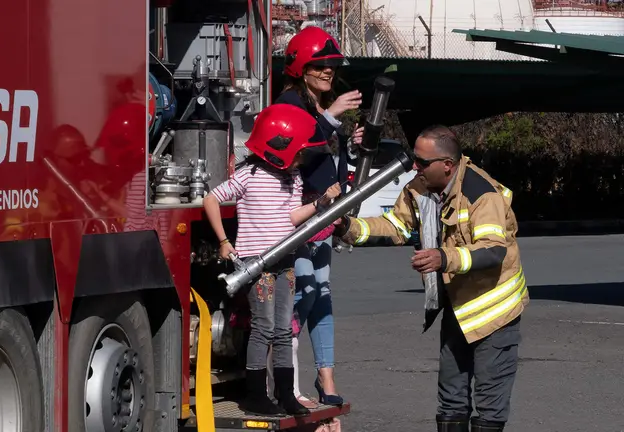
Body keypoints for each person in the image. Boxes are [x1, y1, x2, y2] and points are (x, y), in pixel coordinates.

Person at [332, 125, 527, 432]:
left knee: (489, 407)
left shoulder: (481, 193)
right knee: (450, 401)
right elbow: (394, 225)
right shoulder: (419, 188)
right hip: (458, 309)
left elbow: (492, 252)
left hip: (494, 314)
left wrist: (443, 257)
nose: (415, 167)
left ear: (447, 165)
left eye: (422, 162)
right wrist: (348, 227)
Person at [203, 103, 342, 416]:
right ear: (279, 147)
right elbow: (211, 198)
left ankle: (284, 394)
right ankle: (255, 394)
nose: (301, 160)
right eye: (299, 152)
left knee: (283, 329)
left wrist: (321, 203)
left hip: (284, 260)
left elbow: (292, 216)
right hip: (258, 263)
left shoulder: (292, 178)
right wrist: (224, 241)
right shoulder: (248, 176)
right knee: (263, 327)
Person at [275, 25, 364, 406]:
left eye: (331, 65)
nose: (329, 71)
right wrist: (331, 116)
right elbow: (298, 147)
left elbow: (327, 161)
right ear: (300, 67)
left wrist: (350, 145)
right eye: (320, 65)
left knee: (321, 295)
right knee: (302, 297)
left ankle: (326, 378)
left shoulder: (314, 107)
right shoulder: (288, 105)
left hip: (324, 214)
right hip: (300, 214)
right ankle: (287, 385)